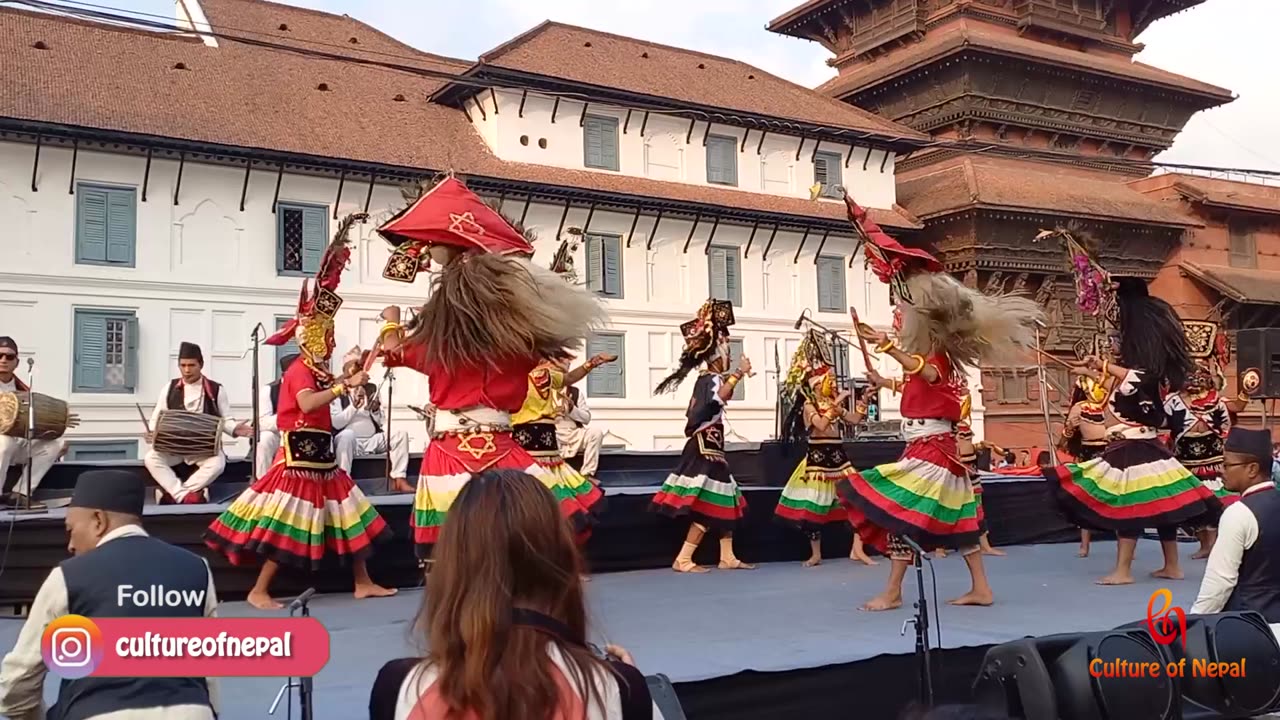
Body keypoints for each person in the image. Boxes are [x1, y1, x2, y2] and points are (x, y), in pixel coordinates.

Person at [374, 176, 605, 557]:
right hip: (503, 447)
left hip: (449, 451)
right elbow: (548, 346)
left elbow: (393, 352)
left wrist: (391, 319)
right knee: (528, 539)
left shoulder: (436, 341)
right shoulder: (517, 343)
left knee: (451, 552)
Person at [838, 193, 1043, 610]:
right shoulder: (933, 359)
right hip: (930, 445)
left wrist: (891, 350)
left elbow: (927, 373)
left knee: (902, 513)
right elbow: (920, 387)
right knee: (957, 521)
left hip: (933, 449)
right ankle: (978, 589)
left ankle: (893, 591)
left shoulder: (937, 358)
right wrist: (885, 379)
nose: (898, 314)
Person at [205, 213, 396, 609]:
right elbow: (308, 404)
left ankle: (362, 581)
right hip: (299, 461)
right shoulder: (297, 370)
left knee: (352, 514)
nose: (329, 343)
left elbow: (327, 400)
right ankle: (259, 590)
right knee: (287, 524)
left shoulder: (317, 371)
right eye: (325, 338)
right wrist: (345, 384)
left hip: (322, 459)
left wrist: (349, 382)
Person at [368, 469, 661, 719]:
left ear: (452, 568)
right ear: (561, 566)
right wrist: (629, 692)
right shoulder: (616, 689)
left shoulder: (399, 689)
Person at [0, 470, 219, 720]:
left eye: (70, 529)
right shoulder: (196, 568)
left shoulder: (68, 575)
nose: (70, 544)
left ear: (98, 521)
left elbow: (18, 680)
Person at [1043, 279, 1218, 586]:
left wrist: (1104, 366)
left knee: (1129, 507)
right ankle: (1171, 565)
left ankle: (1123, 570)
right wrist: (1095, 369)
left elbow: (1133, 379)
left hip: (1134, 447)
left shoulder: (1144, 375)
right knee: (1162, 508)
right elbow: (1127, 385)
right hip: (1150, 446)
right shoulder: (1145, 378)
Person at [650, 298, 755, 573]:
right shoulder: (710, 379)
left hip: (712, 446)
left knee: (725, 500)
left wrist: (734, 377)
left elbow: (719, 399)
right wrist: (739, 375)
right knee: (711, 504)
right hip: (704, 448)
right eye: (727, 352)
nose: (729, 357)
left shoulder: (710, 378)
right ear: (717, 354)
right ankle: (683, 558)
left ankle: (727, 556)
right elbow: (715, 401)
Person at [774, 331, 876, 567]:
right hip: (818, 461)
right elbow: (819, 425)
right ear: (817, 384)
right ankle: (816, 554)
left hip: (839, 459)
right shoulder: (809, 405)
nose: (831, 381)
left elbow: (852, 420)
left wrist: (864, 400)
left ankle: (857, 549)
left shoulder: (832, 403)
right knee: (814, 509)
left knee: (857, 500)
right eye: (826, 378)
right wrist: (837, 403)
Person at [512, 351, 615, 539]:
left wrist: (593, 363)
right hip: (526, 438)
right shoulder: (514, 376)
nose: (562, 363)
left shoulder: (546, 376)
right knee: (529, 493)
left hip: (547, 440)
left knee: (551, 493)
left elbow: (568, 378)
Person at [143, 342, 251, 504]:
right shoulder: (170, 388)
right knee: (151, 458)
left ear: (201, 365)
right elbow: (157, 416)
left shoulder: (216, 390)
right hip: (174, 448)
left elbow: (225, 420)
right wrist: (152, 432)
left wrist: (236, 429)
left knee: (218, 463)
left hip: (203, 450)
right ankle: (185, 496)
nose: (187, 370)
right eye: (183, 365)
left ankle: (175, 494)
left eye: (191, 365)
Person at [1191, 427, 1280, 621]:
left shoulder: (1238, 513)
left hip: (1249, 625)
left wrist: (1193, 623)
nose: (1221, 470)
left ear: (1252, 469)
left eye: (1226, 464)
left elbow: (1220, 581)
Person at [1164, 320, 1235, 559]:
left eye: (1200, 372)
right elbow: (1162, 422)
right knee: (1195, 502)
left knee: (1213, 499)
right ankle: (1203, 545)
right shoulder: (1173, 400)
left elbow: (1233, 411)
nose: (1195, 377)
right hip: (1186, 459)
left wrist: (1247, 390)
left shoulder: (1217, 400)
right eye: (1190, 373)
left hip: (1212, 457)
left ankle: (1214, 544)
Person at [0, 336, 69, 509]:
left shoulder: (24, 390)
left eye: (9, 357)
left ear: (16, 362)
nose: (3, 360)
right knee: (4, 442)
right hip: (3, 445)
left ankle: (20, 493)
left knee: (55, 444)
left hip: (17, 445)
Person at [1060, 371, 1110, 558]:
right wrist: (1065, 440)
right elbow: (1070, 427)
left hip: (1112, 450)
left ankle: (1125, 541)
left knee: (1119, 494)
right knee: (1088, 495)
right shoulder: (1080, 407)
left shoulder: (1110, 403)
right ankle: (1084, 545)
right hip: (1088, 453)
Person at [957, 390, 1003, 557]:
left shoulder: (963, 425)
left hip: (972, 469)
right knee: (950, 506)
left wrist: (980, 445)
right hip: (957, 469)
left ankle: (985, 545)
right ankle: (940, 547)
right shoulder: (946, 425)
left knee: (978, 508)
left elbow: (967, 444)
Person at [554, 356, 608, 484]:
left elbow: (586, 418)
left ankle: (587, 474)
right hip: (553, 432)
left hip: (573, 432)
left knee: (595, 433)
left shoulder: (575, 392)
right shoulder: (544, 391)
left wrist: (572, 409)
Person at [255, 353, 299, 478]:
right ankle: (262, 482)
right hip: (277, 433)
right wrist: (290, 415)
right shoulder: (269, 390)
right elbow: (263, 423)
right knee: (265, 438)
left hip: (302, 432)